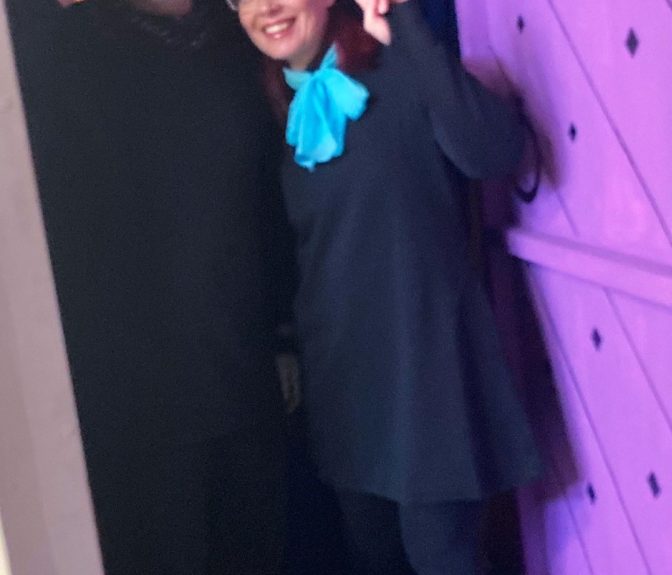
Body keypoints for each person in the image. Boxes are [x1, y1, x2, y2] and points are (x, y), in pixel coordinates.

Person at [231, 0, 543, 572]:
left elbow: (494, 150)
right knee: (376, 560)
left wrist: (404, 23)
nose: (265, 7)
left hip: (426, 386)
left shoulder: (398, 67)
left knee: (442, 558)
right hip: (345, 393)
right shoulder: (279, 111)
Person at [8, 0, 296, 573]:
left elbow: (269, 206)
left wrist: (286, 335)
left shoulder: (242, 37)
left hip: (245, 379)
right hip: (130, 408)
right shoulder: (56, 45)